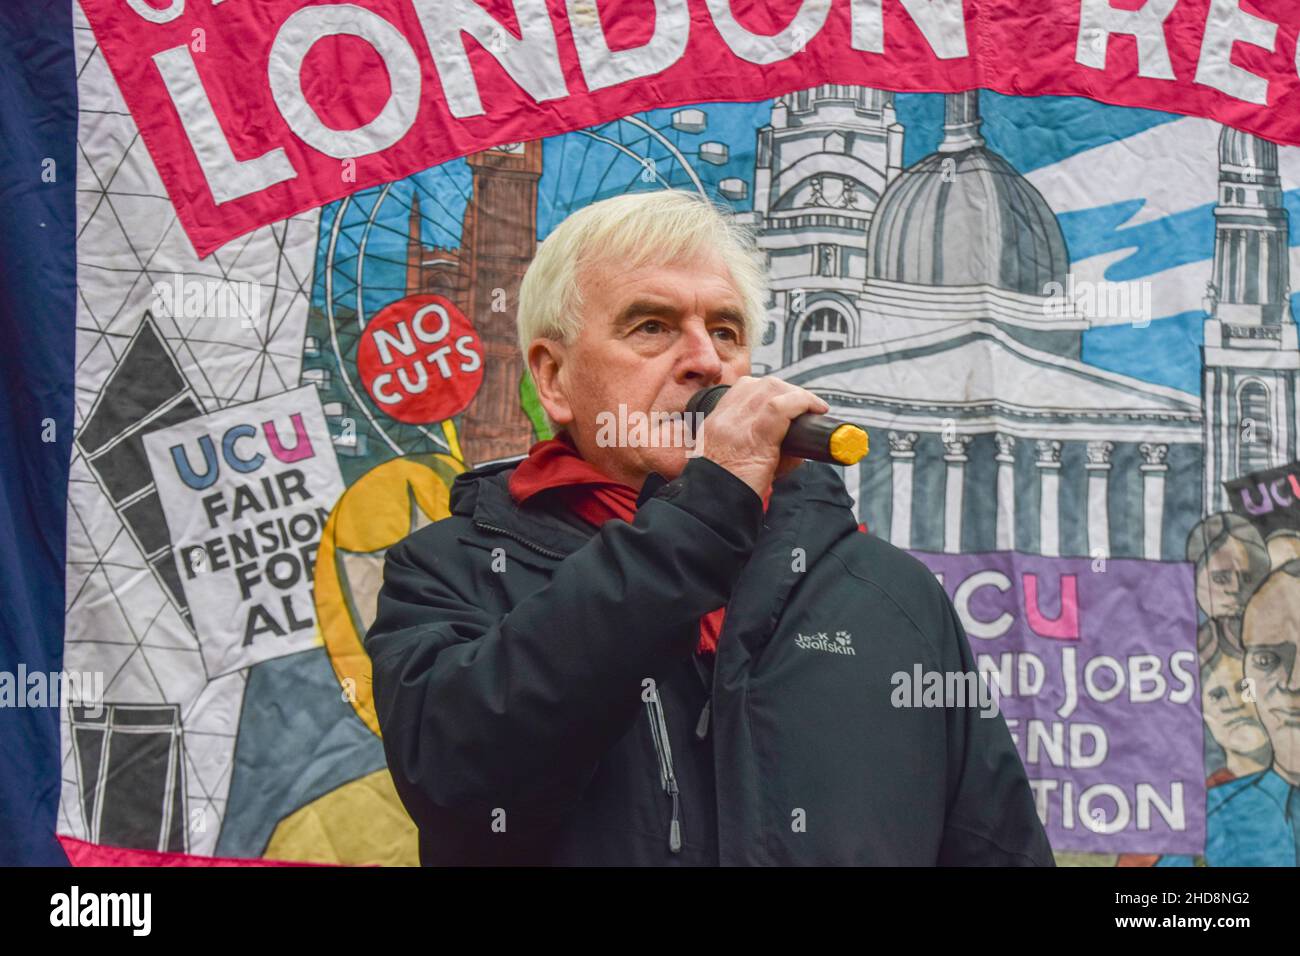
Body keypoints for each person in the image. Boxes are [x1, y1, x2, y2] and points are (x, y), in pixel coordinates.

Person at [364, 189, 1053, 866]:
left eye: (726, 331)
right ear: (553, 378)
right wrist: (707, 510)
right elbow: (461, 782)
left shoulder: (891, 592)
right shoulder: (450, 569)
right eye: (651, 326)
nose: (706, 360)